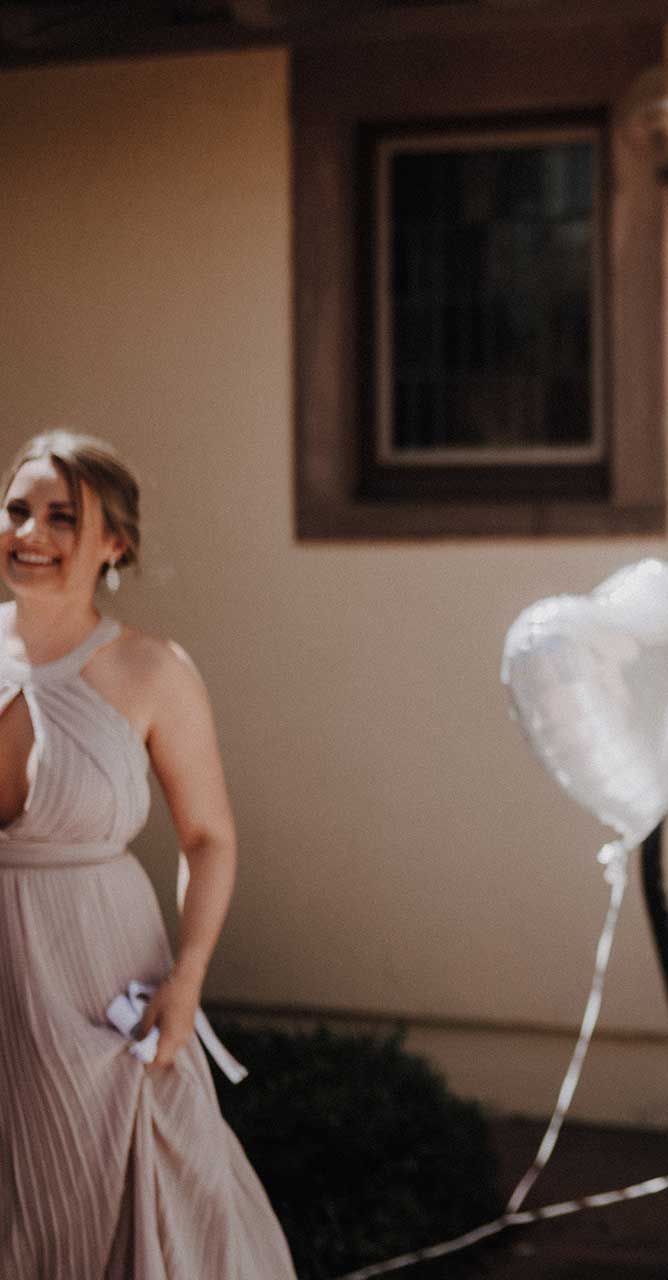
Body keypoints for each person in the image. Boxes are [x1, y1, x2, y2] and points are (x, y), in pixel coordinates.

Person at [0, 431, 294, 1278]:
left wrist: (187, 979)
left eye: (62, 517)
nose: (31, 533)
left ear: (113, 542)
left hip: (102, 977)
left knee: (129, 1202)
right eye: (18, 510)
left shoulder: (152, 670)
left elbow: (208, 838)